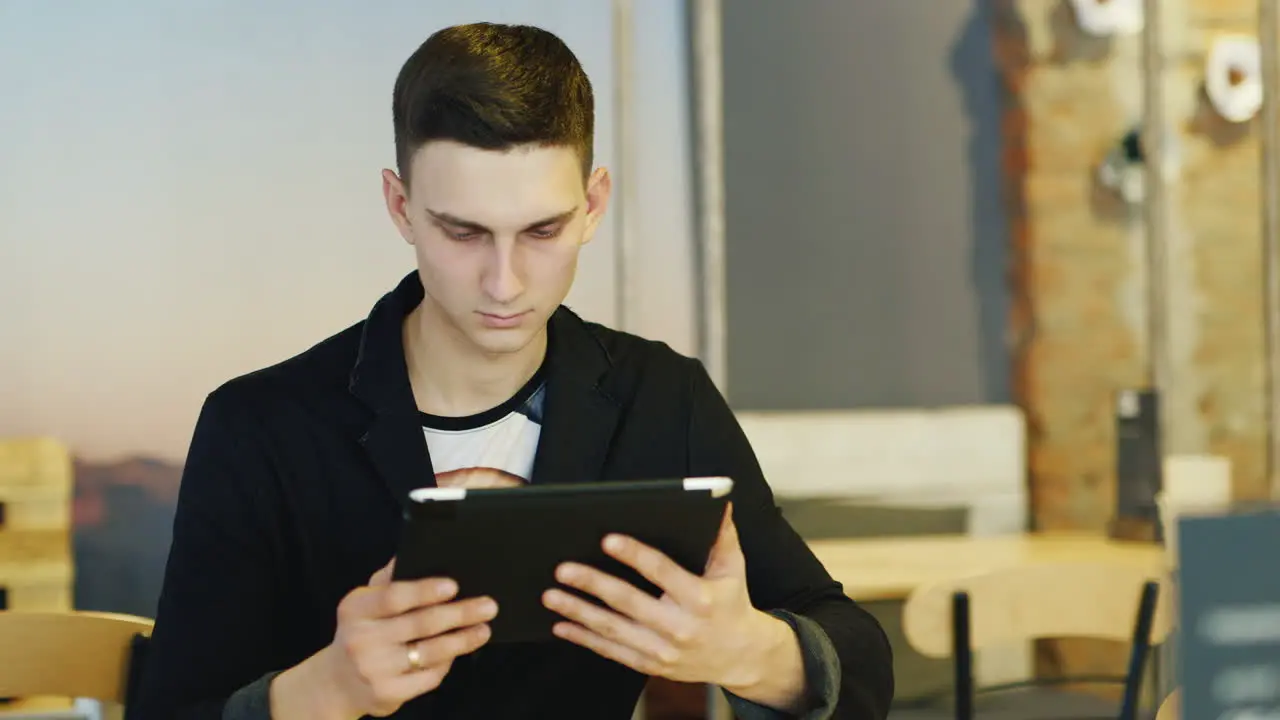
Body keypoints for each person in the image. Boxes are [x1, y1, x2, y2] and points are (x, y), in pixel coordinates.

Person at [133, 22, 894, 720]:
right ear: (400, 207)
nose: (504, 282)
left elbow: (858, 661)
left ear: (593, 204)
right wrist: (327, 688)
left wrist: (750, 652)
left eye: (542, 230)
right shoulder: (262, 426)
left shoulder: (662, 398)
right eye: (462, 231)